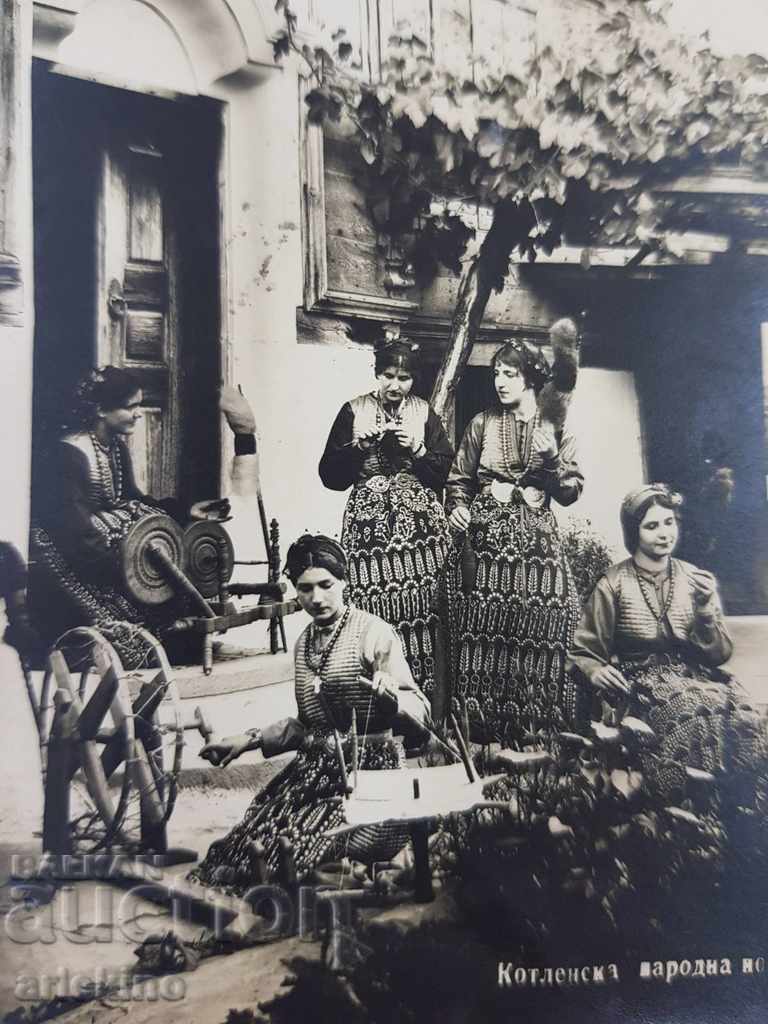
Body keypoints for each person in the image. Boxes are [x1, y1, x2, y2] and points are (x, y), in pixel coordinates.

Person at [191, 534, 430, 891]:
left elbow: (421, 711)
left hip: (370, 776)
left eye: (325, 585)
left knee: (304, 841)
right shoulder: (304, 642)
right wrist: (247, 741)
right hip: (314, 772)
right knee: (251, 837)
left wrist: (393, 702)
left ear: (344, 581)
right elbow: (307, 726)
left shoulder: (374, 634)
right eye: (305, 588)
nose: (316, 598)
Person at [28, 367, 242, 667]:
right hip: (74, 548)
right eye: (131, 407)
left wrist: (185, 512)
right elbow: (70, 524)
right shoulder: (70, 453)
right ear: (102, 410)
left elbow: (133, 500)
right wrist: (127, 559)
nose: (138, 414)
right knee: (146, 552)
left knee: (153, 530)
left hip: (104, 538)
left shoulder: (115, 448)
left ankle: (184, 635)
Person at [568, 483, 766, 798]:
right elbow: (583, 651)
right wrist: (595, 670)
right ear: (633, 532)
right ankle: (681, 803)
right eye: (652, 526)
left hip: (695, 677)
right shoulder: (613, 584)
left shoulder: (692, 577)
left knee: (742, 710)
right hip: (640, 685)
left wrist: (705, 610)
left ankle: (736, 801)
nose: (664, 534)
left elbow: (720, 655)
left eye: (669, 522)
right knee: (691, 709)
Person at [445, 331, 584, 743]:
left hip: (538, 547)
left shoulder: (557, 427)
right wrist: (458, 506)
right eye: (497, 374)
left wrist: (552, 461)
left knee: (550, 623)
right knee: (483, 627)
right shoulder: (482, 423)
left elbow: (570, 492)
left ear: (531, 378)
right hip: (487, 542)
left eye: (510, 374)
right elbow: (458, 478)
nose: (500, 382)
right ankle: (480, 728)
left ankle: (542, 727)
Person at [319, 338, 454, 703]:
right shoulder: (353, 410)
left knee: (424, 609)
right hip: (369, 535)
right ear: (377, 373)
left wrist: (418, 448)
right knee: (371, 608)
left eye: (404, 378)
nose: (395, 385)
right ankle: (373, 701)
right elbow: (330, 476)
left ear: (414, 380)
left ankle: (425, 702)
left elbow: (445, 472)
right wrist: (357, 449)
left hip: (420, 537)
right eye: (388, 375)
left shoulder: (423, 413)